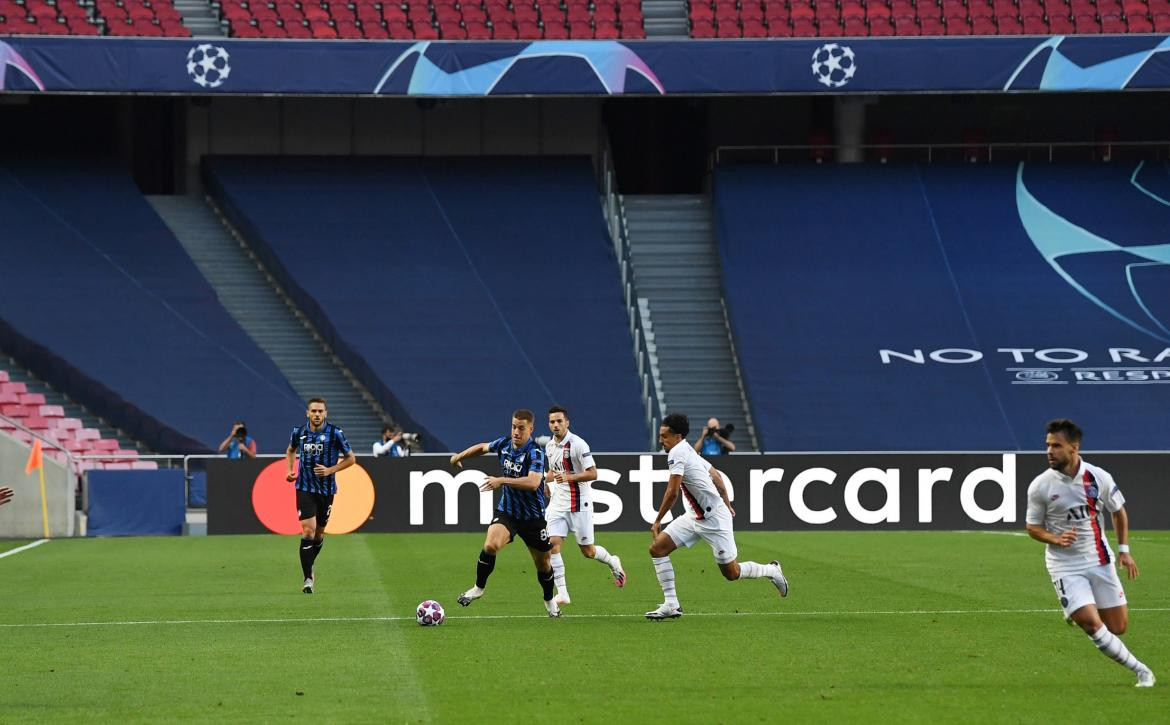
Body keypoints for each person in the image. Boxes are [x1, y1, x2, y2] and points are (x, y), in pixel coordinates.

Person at [1025, 418, 1156, 687]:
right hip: (1064, 565)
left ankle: (1075, 608)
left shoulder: (1098, 477)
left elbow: (1118, 511)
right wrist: (1055, 538)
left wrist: (1124, 550)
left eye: (1056, 446)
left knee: (1118, 627)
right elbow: (1032, 527)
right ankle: (1142, 671)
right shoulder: (1040, 486)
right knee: (1092, 624)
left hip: (1100, 559)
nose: (1049, 451)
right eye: (1047, 445)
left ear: (1074, 448)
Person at [646, 412, 787, 620]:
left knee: (732, 573)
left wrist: (658, 519)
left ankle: (772, 570)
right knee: (657, 549)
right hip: (694, 517)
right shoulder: (688, 450)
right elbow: (716, 475)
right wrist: (727, 502)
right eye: (660, 435)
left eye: (665, 436)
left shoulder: (678, 453)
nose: (661, 440)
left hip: (714, 521)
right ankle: (671, 604)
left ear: (678, 437)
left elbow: (672, 492)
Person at [449, 409, 560, 618]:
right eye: (513, 426)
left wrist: (501, 480)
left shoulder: (535, 452)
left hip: (533, 518)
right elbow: (483, 447)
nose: (516, 432)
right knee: (490, 545)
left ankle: (549, 601)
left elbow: (534, 481)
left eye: (521, 428)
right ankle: (478, 588)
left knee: (543, 564)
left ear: (531, 429)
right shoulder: (505, 444)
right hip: (508, 512)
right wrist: (459, 456)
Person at [543, 405, 625, 606]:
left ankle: (613, 561)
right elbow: (554, 471)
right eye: (552, 421)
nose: (556, 425)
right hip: (558, 503)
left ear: (567, 423)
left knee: (587, 551)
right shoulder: (549, 446)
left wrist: (569, 477)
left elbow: (593, 473)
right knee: (552, 544)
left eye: (559, 421)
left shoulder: (579, 444)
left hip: (580, 503)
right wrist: (546, 481)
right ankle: (562, 593)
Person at [285, 397, 355, 594]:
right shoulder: (299, 432)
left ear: (326, 414)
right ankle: (308, 578)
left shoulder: (335, 433)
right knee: (308, 530)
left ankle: (309, 564)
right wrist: (289, 470)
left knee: (319, 534)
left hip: (327, 490)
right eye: (313, 411)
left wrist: (330, 469)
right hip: (304, 488)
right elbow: (290, 450)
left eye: (320, 411)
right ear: (307, 413)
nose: (316, 414)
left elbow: (351, 459)